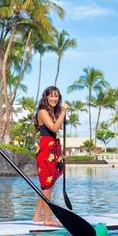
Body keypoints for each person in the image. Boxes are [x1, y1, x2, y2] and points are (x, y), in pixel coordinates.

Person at [32, 86, 68, 225]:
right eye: (51, 96)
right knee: (46, 185)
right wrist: (63, 112)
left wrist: (60, 152)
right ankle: (47, 219)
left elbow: (55, 131)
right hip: (46, 149)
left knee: (49, 185)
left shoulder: (52, 112)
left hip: (53, 148)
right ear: (46, 97)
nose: (54, 99)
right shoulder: (42, 112)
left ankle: (37, 216)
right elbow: (53, 128)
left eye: (57, 96)